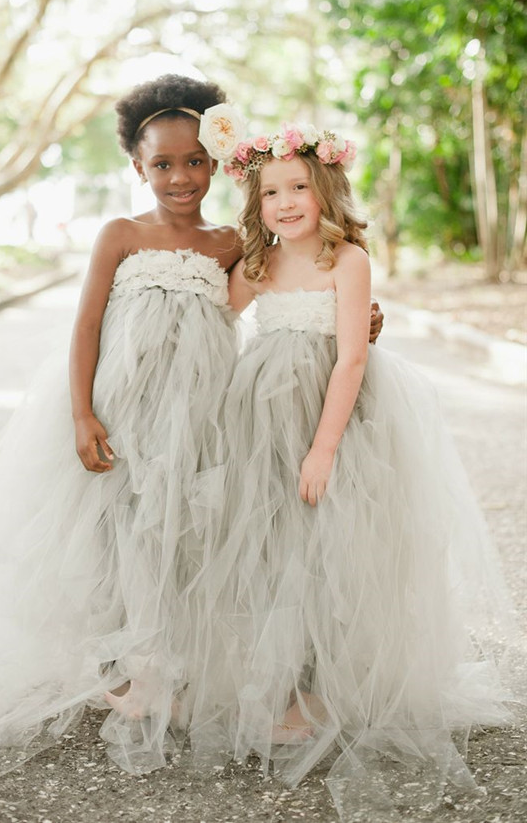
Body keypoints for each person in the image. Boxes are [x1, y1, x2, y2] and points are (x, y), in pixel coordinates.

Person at [0, 80, 384, 804]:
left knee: (182, 535)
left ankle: (170, 667)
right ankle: (127, 665)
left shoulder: (233, 243)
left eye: (196, 161)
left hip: (201, 414)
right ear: (138, 167)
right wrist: (81, 413)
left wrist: (360, 318)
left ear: (217, 167)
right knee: (113, 533)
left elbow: (280, 289)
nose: (181, 176)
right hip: (121, 407)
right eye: (163, 164)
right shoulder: (121, 234)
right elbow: (85, 326)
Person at [193, 124, 515, 819]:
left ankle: (318, 684)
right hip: (259, 419)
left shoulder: (347, 260)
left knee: (328, 548)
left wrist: (325, 447)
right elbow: (215, 309)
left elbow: (350, 359)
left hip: (328, 415)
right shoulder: (260, 261)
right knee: (269, 544)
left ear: (326, 188)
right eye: (269, 190)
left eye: (298, 187)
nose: (284, 203)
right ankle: (276, 676)